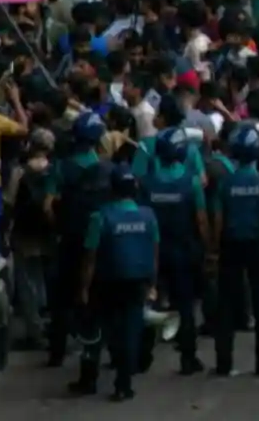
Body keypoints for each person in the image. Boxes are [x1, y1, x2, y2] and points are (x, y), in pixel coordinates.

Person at [76, 165, 159, 401]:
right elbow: (154, 253)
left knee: (95, 332)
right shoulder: (148, 215)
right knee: (130, 332)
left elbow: (90, 257)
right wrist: (152, 283)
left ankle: (88, 379)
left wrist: (83, 289)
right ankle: (124, 384)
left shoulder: (100, 217)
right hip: (137, 283)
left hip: (106, 283)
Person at [210, 121, 259, 378]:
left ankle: (223, 362)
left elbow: (218, 219)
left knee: (226, 304)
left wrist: (214, 250)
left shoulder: (226, 183)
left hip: (230, 245)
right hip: (258, 244)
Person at [48, 111, 112, 372]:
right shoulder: (106, 169)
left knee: (61, 299)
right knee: (96, 299)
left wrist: (60, 225)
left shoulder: (62, 167)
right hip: (98, 243)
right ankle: (97, 351)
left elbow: (47, 205)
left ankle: (57, 352)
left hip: (69, 240)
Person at [141, 126, 208, 375]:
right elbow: (201, 219)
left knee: (150, 304)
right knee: (185, 305)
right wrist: (208, 248)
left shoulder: (148, 183)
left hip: (155, 253)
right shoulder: (191, 181)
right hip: (184, 250)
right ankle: (188, 358)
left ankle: (141, 355)